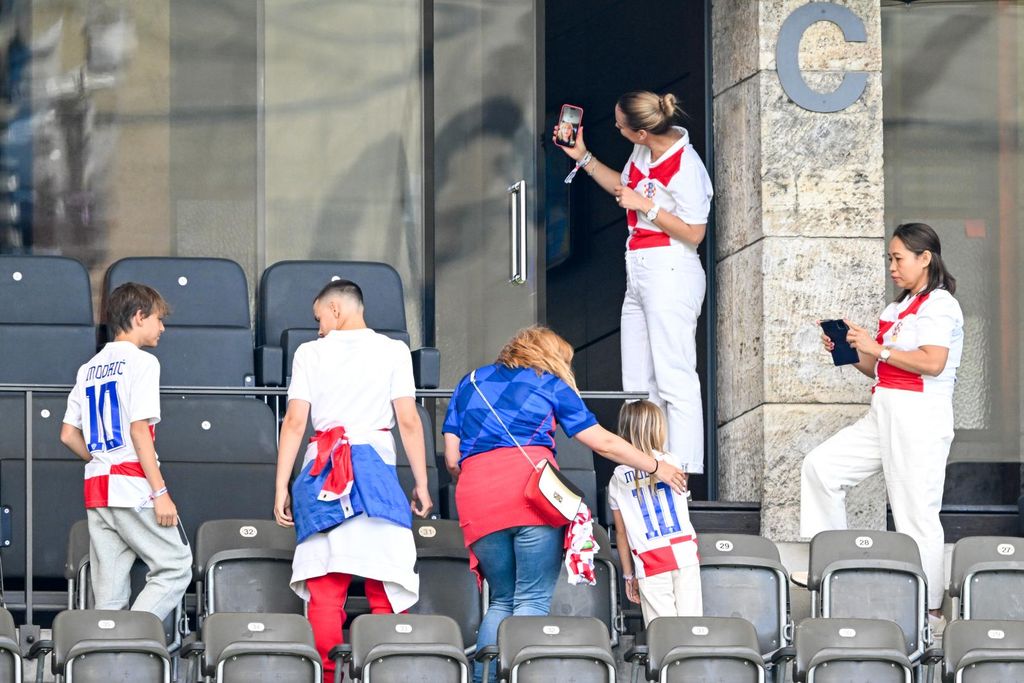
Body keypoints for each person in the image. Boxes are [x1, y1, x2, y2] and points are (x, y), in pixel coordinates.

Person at [442, 326, 688, 682]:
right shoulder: (549, 382)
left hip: (477, 497)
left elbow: (452, 458)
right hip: (532, 496)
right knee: (530, 599)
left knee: (500, 600)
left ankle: (485, 678)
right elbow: (602, 441)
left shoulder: (471, 382)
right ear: (552, 356)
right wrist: (655, 466)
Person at [801, 222, 963, 624]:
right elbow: (880, 367)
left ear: (925, 259)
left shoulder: (940, 304)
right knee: (821, 468)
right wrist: (851, 350)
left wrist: (879, 348)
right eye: (890, 258)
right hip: (885, 410)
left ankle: (930, 610)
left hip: (920, 413)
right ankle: (833, 568)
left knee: (915, 512)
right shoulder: (895, 309)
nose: (892, 266)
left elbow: (932, 361)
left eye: (899, 258)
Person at [274, 279, 432, 682]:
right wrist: (421, 482)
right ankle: (388, 674)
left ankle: (328, 677)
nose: (318, 329)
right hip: (376, 471)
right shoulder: (393, 350)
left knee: (325, 589)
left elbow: (294, 423)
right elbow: (409, 421)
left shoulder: (309, 353)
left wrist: (281, 487)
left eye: (319, 319)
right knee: (386, 584)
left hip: (320, 468)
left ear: (336, 310)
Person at [554, 90, 713, 475]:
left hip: (672, 268)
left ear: (641, 132)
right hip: (639, 266)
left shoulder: (687, 166)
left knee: (675, 375)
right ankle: (648, 464)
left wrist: (647, 206)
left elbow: (695, 233)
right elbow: (623, 188)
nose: (616, 128)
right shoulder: (644, 151)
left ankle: (684, 472)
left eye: (621, 125)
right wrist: (584, 157)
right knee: (639, 381)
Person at [59, 282, 191, 620]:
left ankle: (108, 657)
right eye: (158, 319)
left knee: (108, 595)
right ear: (138, 316)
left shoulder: (87, 368)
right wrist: (160, 492)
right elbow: (138, 431)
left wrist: (100, 459)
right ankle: (133, 639)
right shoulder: (143, 363)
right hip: (131, 485)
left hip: (97, 486)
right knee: (176, 566)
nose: (162, 328)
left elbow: (67, 434)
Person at [609, 400, 701, 626]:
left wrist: (628, 576)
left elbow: (621, 534)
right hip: (684, 553)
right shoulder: (673, 462)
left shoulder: (618, 479)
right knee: (691, 629)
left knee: (664, 633)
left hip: (650, 559)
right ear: (658, 429)